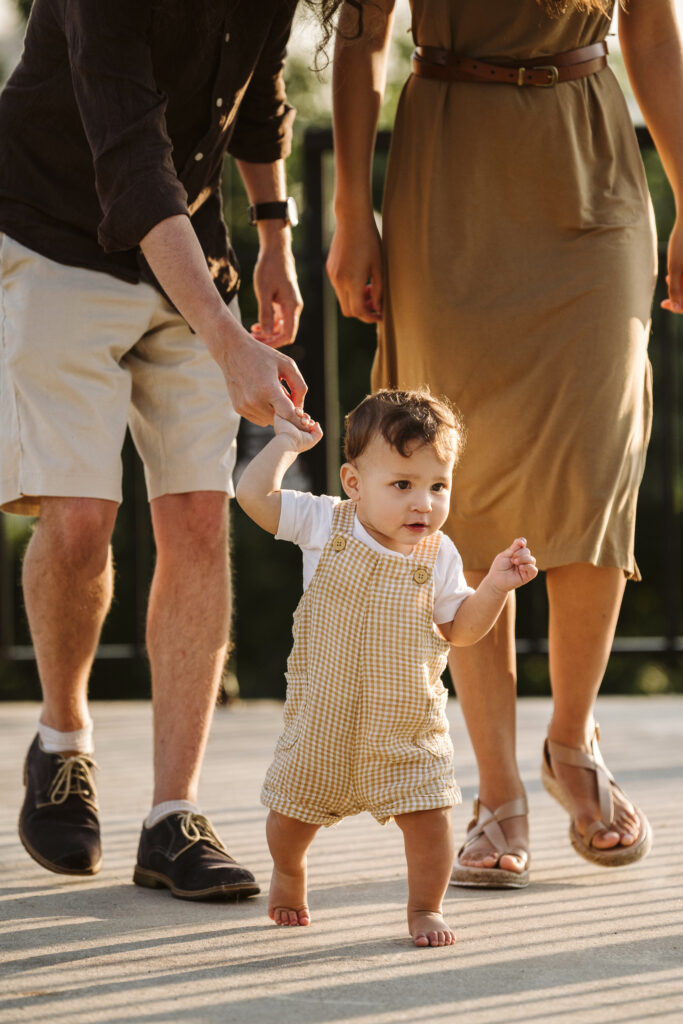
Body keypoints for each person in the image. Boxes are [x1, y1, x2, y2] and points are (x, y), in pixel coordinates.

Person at [326, 0, 683, 886]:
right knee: (458, 481)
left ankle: (570, 741)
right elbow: (362, 34)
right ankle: (496, 792)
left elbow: (649, 24)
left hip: (590, 163)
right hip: (447, 172)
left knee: (593, 462)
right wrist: (348, 210)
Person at [0, 0, 326, 900]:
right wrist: (227, 341)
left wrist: (273, 236)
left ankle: (170, 818)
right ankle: (63, 742)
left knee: (195, 516)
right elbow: (133, 169)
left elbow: (258, 93)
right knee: (78, 521)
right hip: (53, 236)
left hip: (189, 253)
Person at [236, 388, 537, 945]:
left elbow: (463, 631)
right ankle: (288, 871)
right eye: (402, 485)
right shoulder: (325, 523)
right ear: (354, 482)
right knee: (291, 815)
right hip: (322, 722)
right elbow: (253, 495)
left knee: (431, 823)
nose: (423, 503)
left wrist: (494, 586)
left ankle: (425, 907)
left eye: (437, 485)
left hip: (405, 726)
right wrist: (285, 444)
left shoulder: (440, 555)